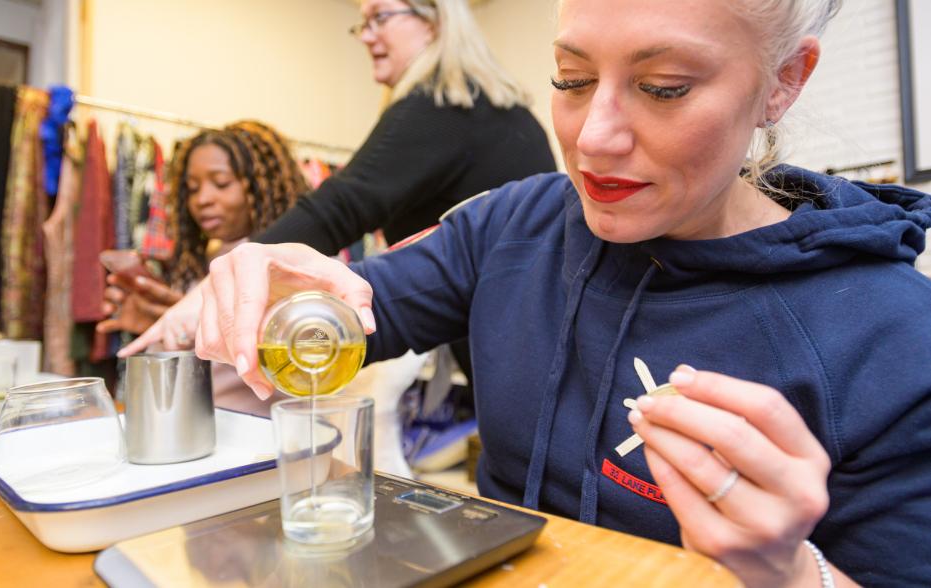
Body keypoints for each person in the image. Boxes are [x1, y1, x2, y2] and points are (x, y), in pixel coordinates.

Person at [189, 0, 931, 586]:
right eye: (571, 80)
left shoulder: (890, 333)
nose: (592, 137)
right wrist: (271, 293)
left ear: (782, 81)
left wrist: (790, 575)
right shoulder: (512, 225)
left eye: (662, 87)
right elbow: (336, 323)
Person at [119, 0, 556, 383]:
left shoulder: (445, 104)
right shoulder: (488, 110)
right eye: (361, 22)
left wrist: (214, 291)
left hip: (521, 343)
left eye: (380, 17)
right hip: (522, 332)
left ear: (435, 20)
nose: (366, 36)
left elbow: (338, 207)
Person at [99, 121, 308, 412]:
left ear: (261, 185)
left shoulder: (297, 261)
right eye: (192, 188)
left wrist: (194, 323)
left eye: (221, 183)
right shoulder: (199, 262)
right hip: (202, 430)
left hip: (263, 434)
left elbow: (304, 347)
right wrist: (157, 322)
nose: (202, 199)